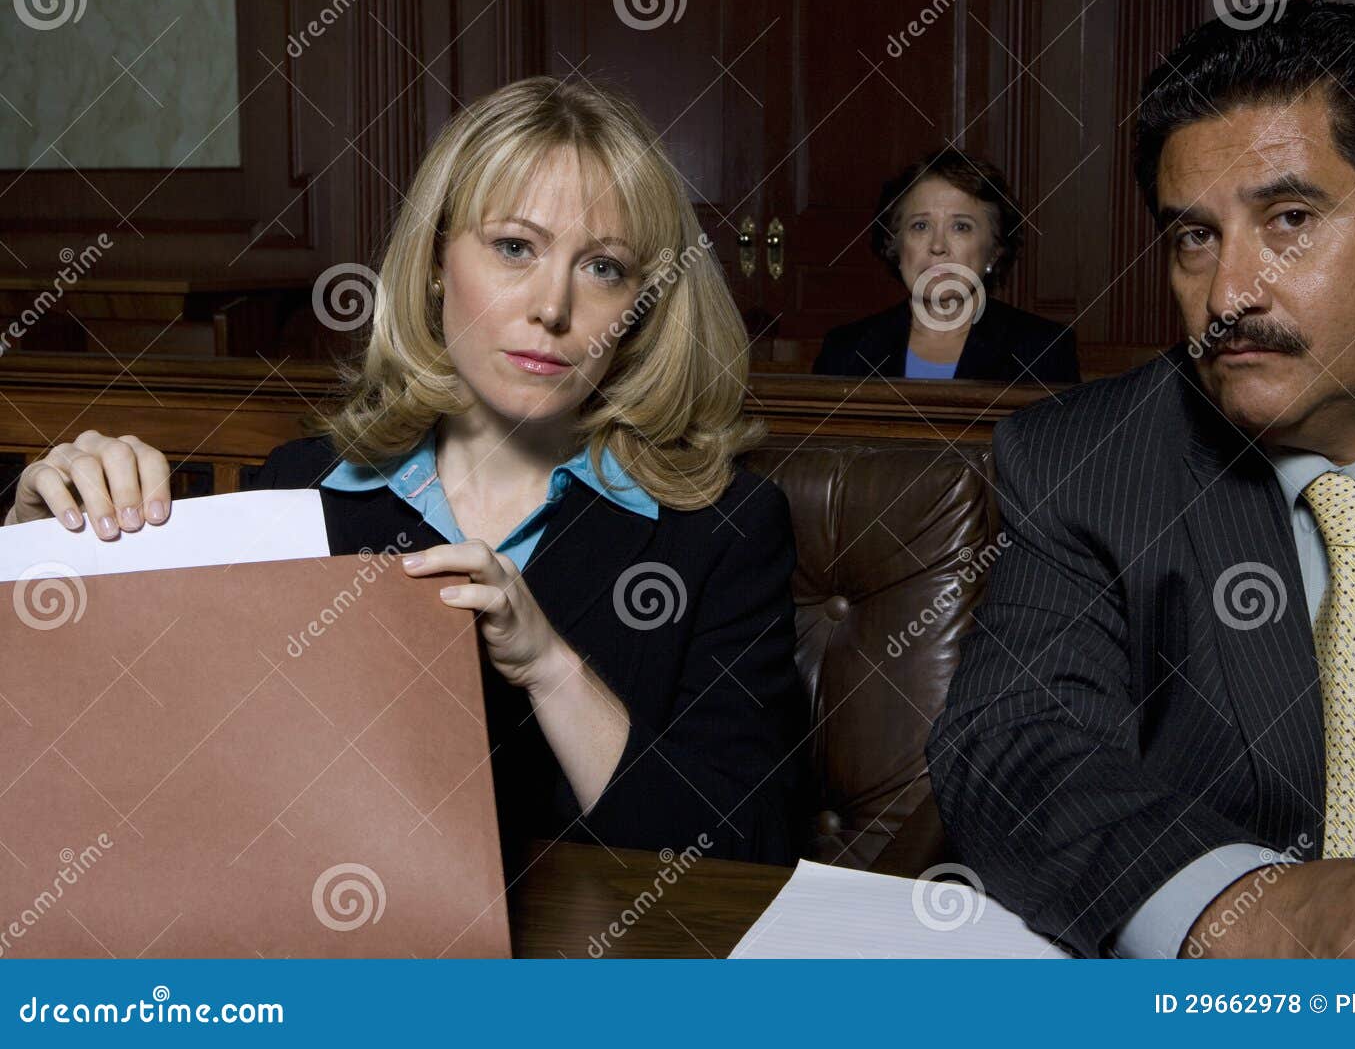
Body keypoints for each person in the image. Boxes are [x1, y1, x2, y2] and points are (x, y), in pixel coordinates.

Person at [928, 0, 1355, 958]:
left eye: (1289, 219)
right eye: (1195, 237)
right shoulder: (1086, 460)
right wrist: (1257, 911)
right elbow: (1012, 750)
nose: (1230, 293)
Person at [4, 76, 809, 871]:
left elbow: (746, 852)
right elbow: (152, 770)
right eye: (514, 248)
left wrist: (550, 669)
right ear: (433, 263)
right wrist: (45, 548)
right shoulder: (303, 491)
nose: (552, 307)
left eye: (604, 268)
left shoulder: (725, 526)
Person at [811, 150, 1078, 383]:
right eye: (920, 226)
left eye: (961, 227)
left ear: (995, 250)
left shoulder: (1044, 350)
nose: (938, 245)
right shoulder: (845, 350)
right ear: (896, 245)